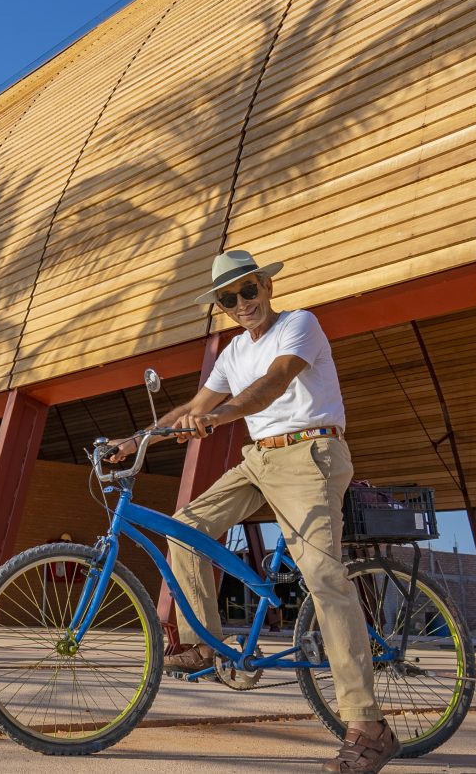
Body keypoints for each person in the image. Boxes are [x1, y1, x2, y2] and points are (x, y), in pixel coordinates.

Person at [111, 250, 398, 774]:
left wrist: (220, 417)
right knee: (184, 528)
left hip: (311, 452)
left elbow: (274, 383)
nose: (241, 303)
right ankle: (206, 645)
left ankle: (368, 725)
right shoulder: (232, 352)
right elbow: (193, 408)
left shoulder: (299, 325)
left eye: (248, 290)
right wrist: (136, 439)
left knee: (323, 577)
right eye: (228, 298)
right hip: (260, 458)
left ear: (266, 285)